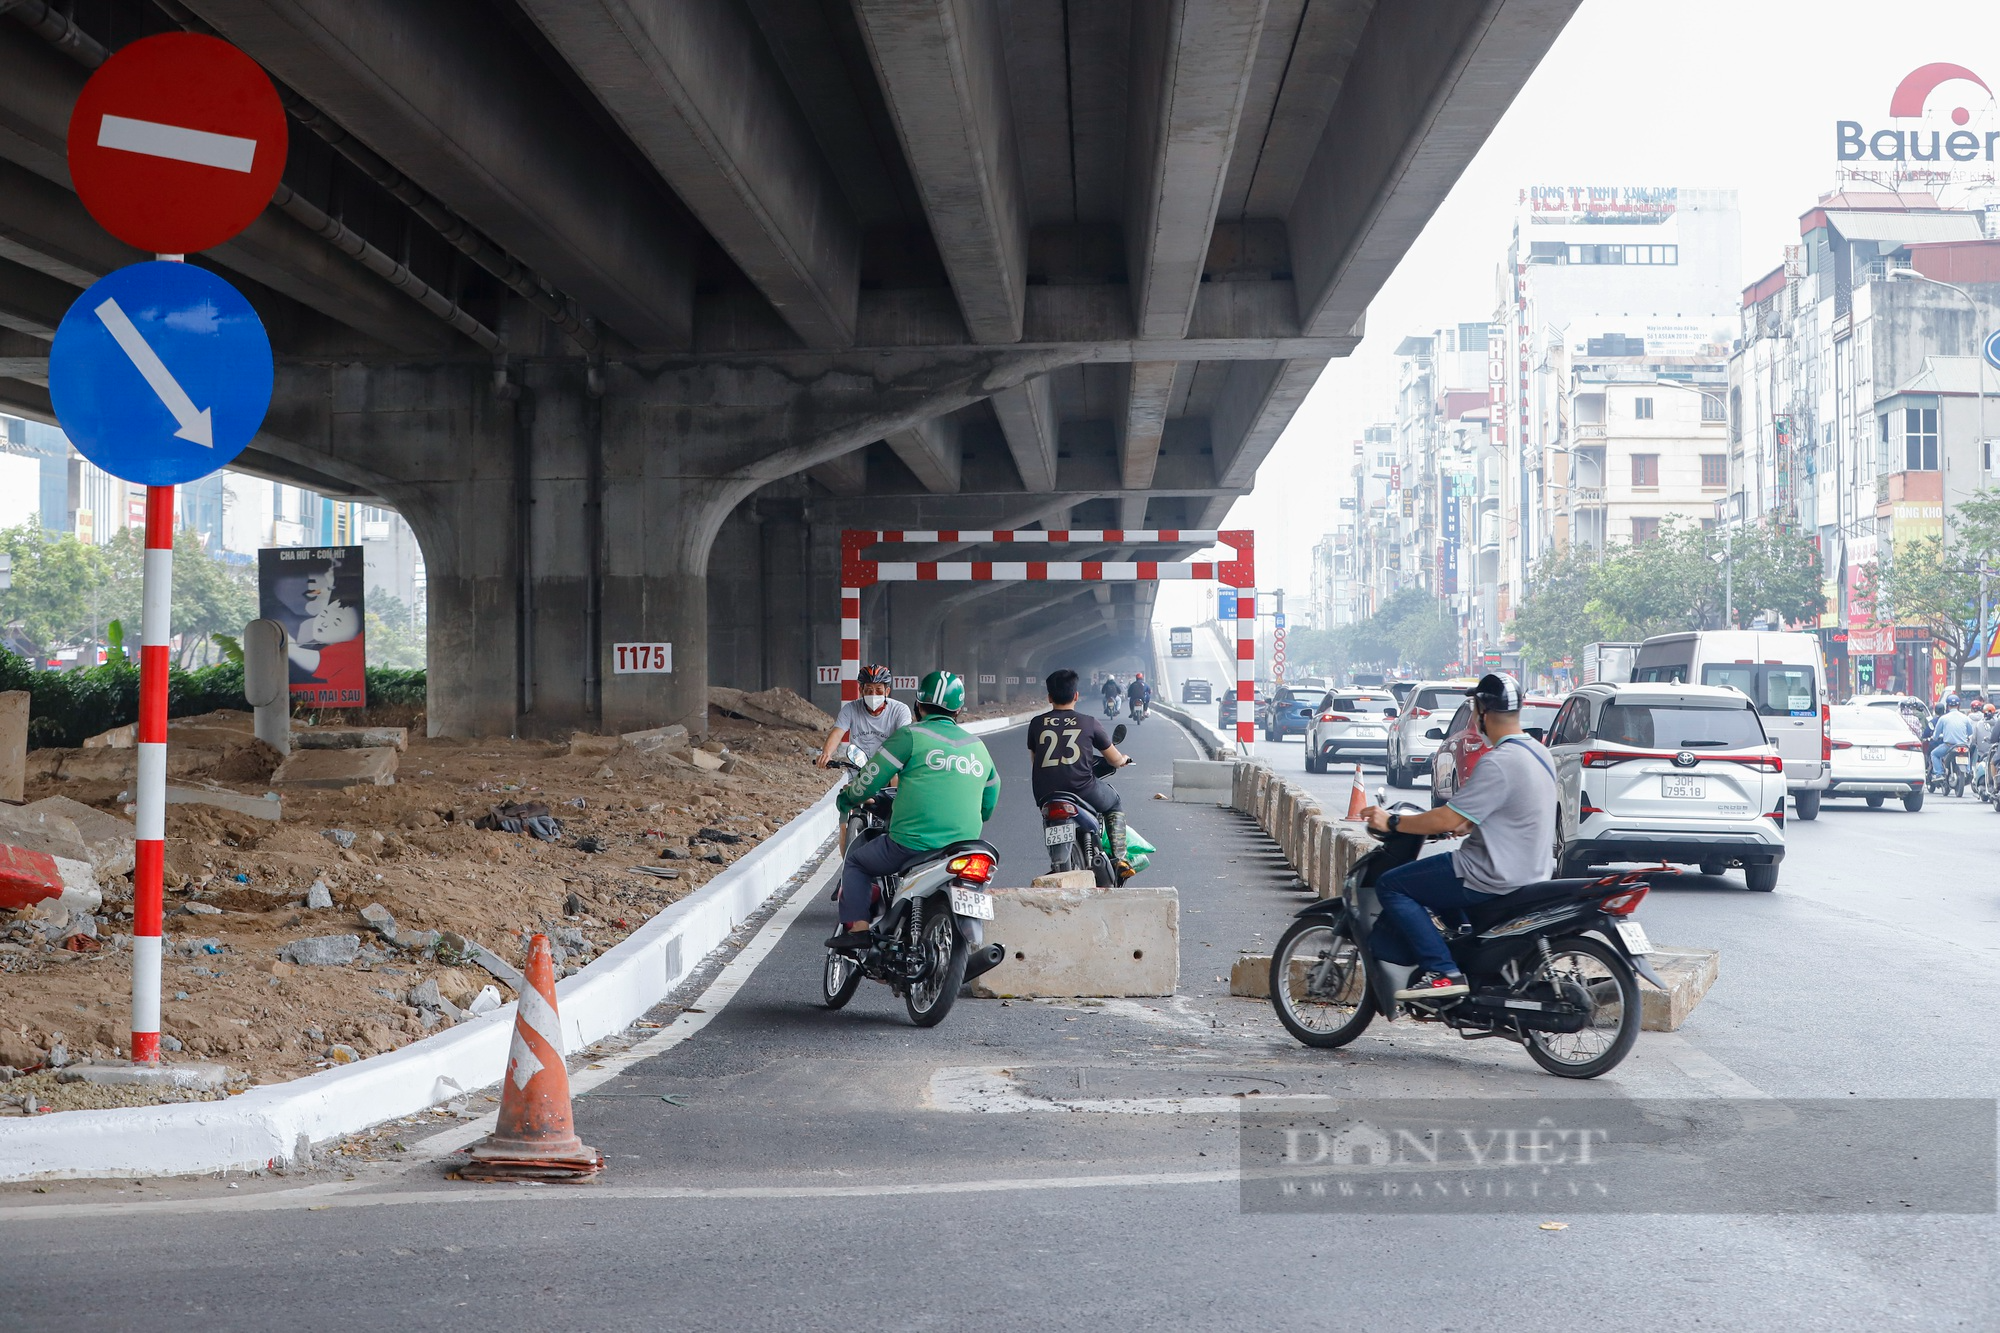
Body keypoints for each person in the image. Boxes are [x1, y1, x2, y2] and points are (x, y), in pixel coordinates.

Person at [1358, 673, 1556, 1001]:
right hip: (1531, 872)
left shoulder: (1499, 761)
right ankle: (1461, 948)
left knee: (1392, 885)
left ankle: (1443, 971)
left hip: (1488, 873)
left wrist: (1391, 821)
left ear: (1482, 712)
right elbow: (1512, 812)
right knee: (1435, 884)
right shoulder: (1539, 753)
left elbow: (1446, 817)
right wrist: (1474, 824)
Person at [827, 671, 999, 953]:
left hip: (911, 844)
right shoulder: (977, 747)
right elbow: (989, 804)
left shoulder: (910, 736)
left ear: (918, 706)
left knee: (857, 863)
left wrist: (847, 799)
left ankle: (857, 930)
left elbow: (869, 780)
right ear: (958, 710)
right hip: (964, 847)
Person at [1027, 669, 1136, 881]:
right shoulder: (1089, 722)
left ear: (1049, 697)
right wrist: (1123, 759)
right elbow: (1114, 759)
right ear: (1076, 696)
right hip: (1082, 789)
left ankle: (1056, 862)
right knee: (1114, 803)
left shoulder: (1036, 724)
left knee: (1048, 817)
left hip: (1045, 792)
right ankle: (1120, 858)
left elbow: (1035, 760)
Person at [817, 664, 911, 767]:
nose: (874, 694)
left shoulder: (900, 710)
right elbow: (837, 733)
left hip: (888, 768)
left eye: (879, 690)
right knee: (849, 784)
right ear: (861, 690)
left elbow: (904, 737)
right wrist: (826, 754)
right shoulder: (850, 709)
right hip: (858, 770)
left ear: (887, 691)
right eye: (869, 690)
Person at [1929, 697, 1974, 782]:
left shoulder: (1943, 718)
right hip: (1963, 746)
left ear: (1947, 706)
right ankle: (1968, 770)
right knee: (1968, 753)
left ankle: (1939, 773)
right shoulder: (1965, 718)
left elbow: (1936, 735)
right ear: (1958, 705)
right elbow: (1970, 732)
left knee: (1934, 754)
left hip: (1949, 746)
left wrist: (1934, 738)